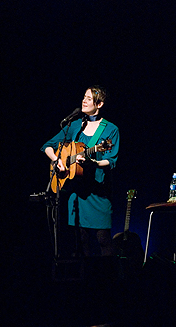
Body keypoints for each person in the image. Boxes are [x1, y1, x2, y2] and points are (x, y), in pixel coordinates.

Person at [41, 86, 119, 257]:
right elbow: (48, 146)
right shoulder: (75, 125)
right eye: (84, 96)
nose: (84, 100)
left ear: (100, 104)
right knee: (81, 243)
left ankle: (112, 279)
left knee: (102, 239)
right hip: (77, 193)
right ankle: (86, 280)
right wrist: (57, 160)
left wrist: (94, 162)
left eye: (89, 98)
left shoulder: (110, 129)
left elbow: (111, 160)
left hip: (98, 192)